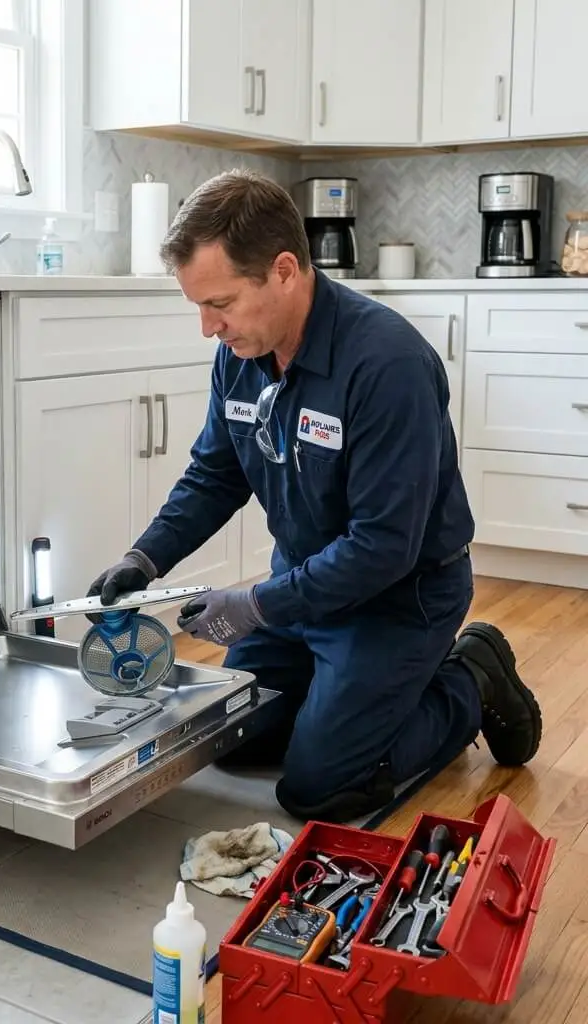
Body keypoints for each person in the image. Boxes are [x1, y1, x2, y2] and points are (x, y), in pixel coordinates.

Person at [87, 169, 542, 824]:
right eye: (199, 306)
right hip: (304, 590)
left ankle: (470, 675)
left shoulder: (387, 365)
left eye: (220, 303)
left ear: (283, 271)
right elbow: (216, 473)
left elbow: (383, 547)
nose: (208, 327)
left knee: (319, 787)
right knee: (233, 737)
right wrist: (145, 557)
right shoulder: (241, 354)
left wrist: (256, 605)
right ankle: (347, 703)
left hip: (398, 599)